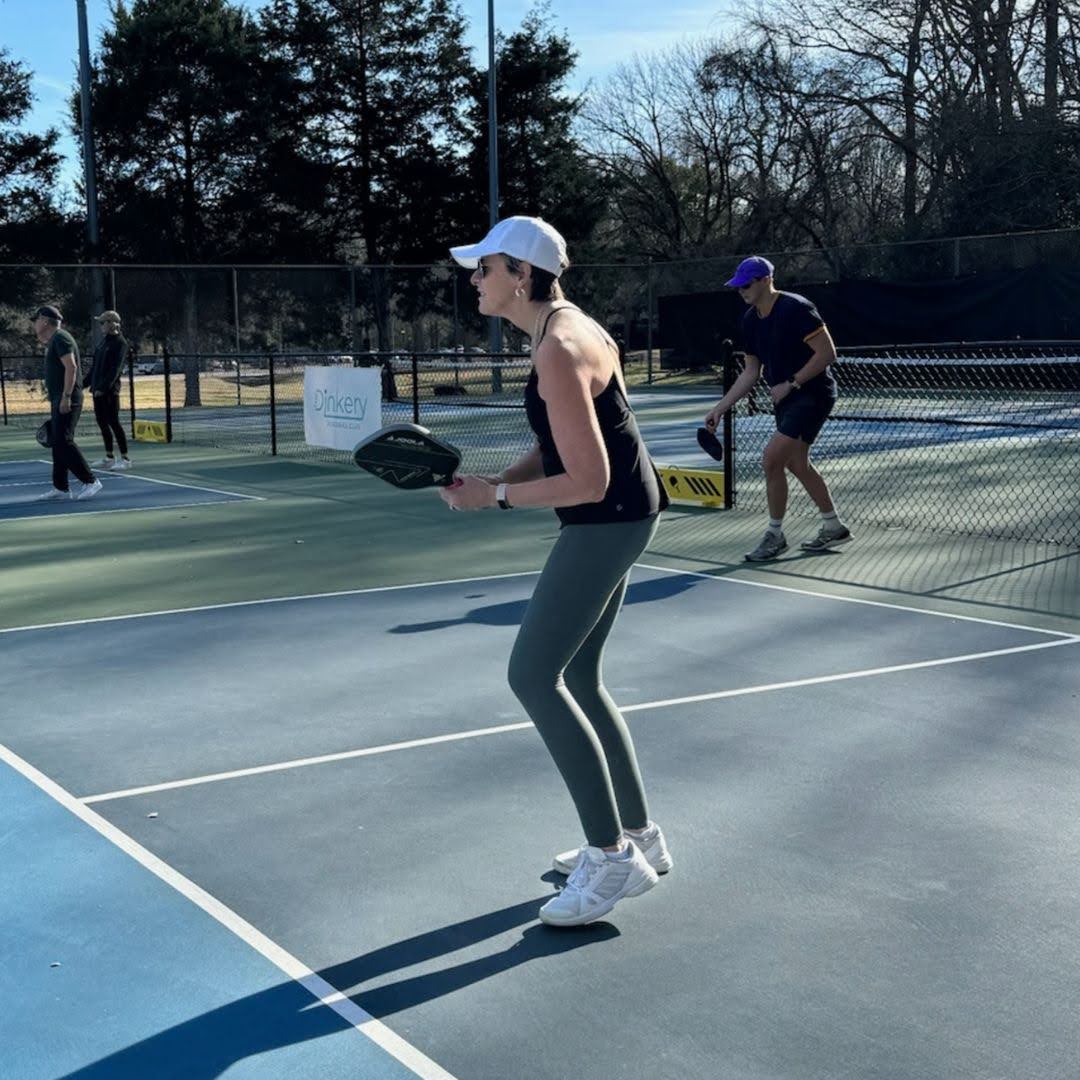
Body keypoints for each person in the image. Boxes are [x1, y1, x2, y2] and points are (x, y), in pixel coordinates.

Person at [444, 216, 672, 927]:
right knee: (578, 678)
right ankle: (641, 838)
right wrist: (496, 481)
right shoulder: (563, 330)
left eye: (483, 268)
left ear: (520, 274)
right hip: (623, 514)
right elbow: (563, 444)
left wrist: (501, 496)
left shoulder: (561, 348)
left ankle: (611, 864)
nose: (473, 279)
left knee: (531, 675)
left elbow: (589, 478)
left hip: (608, 518)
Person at [704, 256, 851, 561]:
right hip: (786, 399)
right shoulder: (749, 320)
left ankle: (775, 535)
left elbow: (827, 353)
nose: (741, 290)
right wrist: (720, 408)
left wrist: (792, 383)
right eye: (738, 286)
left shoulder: (796, 308)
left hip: (813, 393)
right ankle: (833, 525)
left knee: (772, 459)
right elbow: (750, 372)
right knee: (796, 463)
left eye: (746, 284)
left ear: (765, 280)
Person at [31, 305, 102, 502]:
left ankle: (90, 481)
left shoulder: (61, 338)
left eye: (36, 320)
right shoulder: (55, 340)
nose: (35, 324)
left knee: (64, 440)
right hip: (60, 397)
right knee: (57, 441)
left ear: (45, 321)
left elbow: (71, 367)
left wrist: (66, 396)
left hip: (68, 398)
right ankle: (60, 487)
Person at [87, 309, 132, 470]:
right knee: (102, 423)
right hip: (97, 391)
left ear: (111, 324)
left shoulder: (121, 343)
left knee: (114, 422)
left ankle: (125, 459)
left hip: (110, 392)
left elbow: (115, 369)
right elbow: (95, 368)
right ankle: (109, 457)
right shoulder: (103, 342)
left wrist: (104, 388)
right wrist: (82, 384)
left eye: (102, 322)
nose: (100, 326)